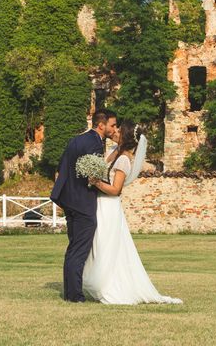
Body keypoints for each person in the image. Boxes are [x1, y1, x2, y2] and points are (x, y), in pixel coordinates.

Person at [84, 120, 182, 305]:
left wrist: (95, 182)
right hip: (101, 204)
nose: (115, 131)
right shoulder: (115, 152)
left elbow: (115, 189)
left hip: (109, 206)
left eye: (119, 130)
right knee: (101, 245)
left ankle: (111, 286)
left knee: (107, 246)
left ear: (126, 136)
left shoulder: (123, 159)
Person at [50, 109, 117, 303]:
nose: (114, 128)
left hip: (68, 199)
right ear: (101, 125)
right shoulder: (95, 143)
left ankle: (71, 292)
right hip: (82, 202)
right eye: (112, 125)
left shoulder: (76, 140)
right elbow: (93, 176)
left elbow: (61, 168)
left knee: (73, 248)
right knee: (79, 250)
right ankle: (75, 296)